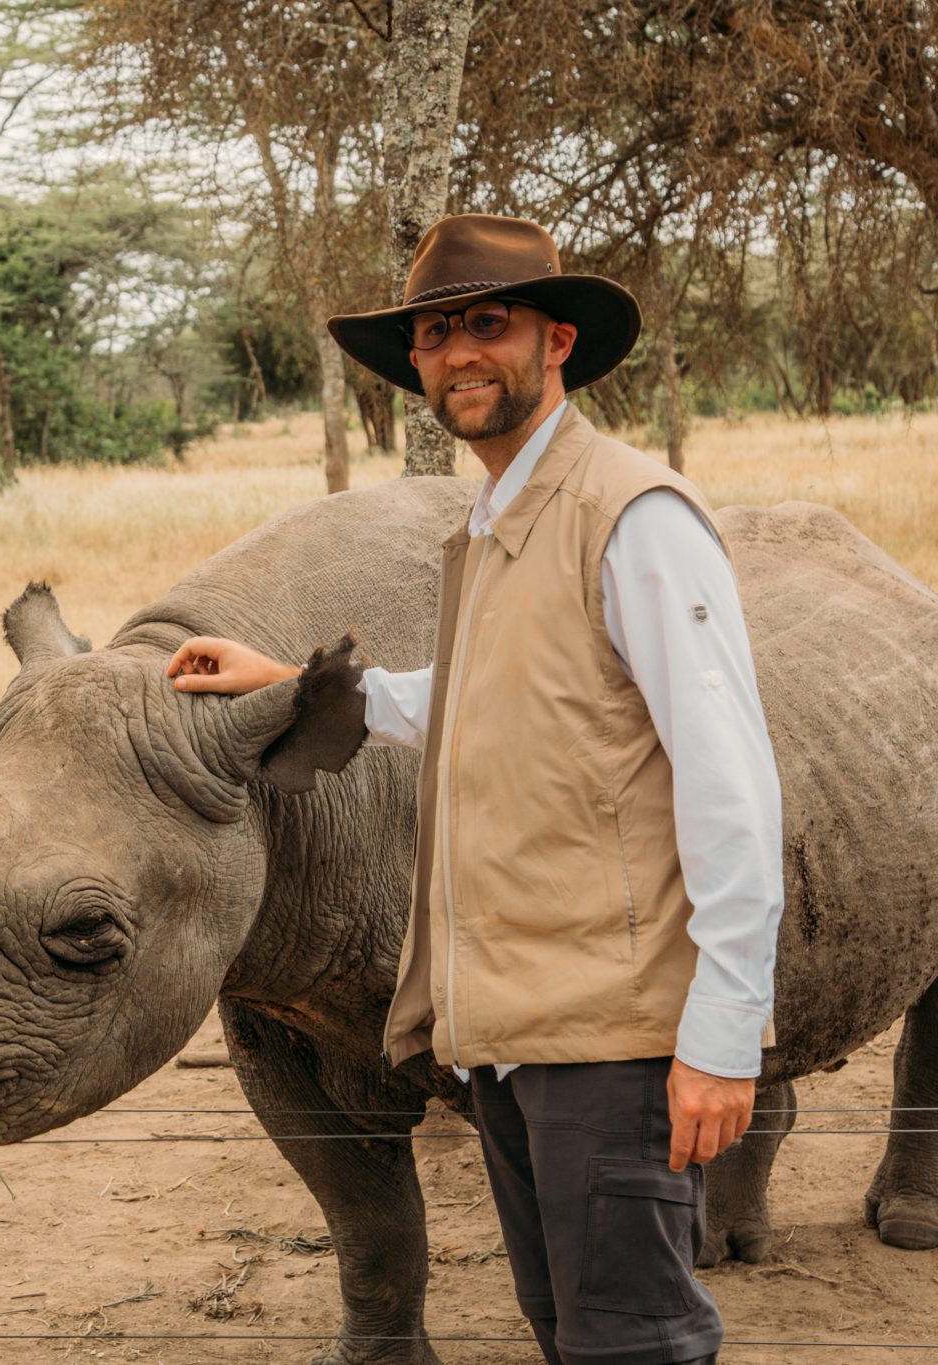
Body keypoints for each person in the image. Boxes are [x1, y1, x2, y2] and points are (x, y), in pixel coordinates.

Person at [166, 215, 783, 1365]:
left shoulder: (630, 517)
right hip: (510, 1032)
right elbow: (497, 695)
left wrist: (721, 1035)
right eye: (435, 333)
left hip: (610, 1033)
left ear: (556, 341)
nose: (459, 353)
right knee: (563, 1329)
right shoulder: (498, 522)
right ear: (414, 366)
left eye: (485, 324)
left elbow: (728, 781)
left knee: (632, 1342)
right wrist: (295, 687)